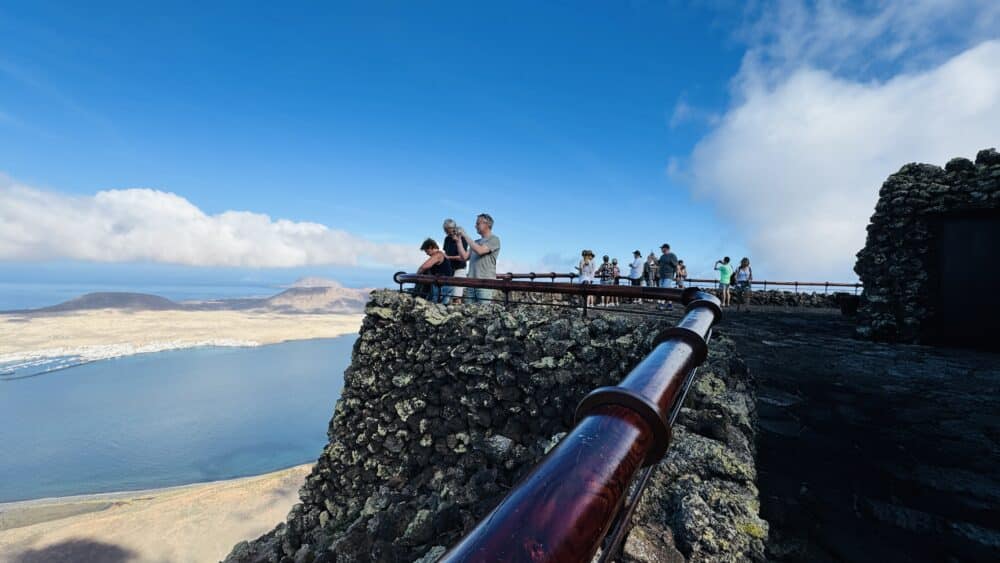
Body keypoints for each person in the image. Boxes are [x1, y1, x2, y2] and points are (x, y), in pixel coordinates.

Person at [457, 213, 500, 304]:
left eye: (477, 223)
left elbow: (480, 251)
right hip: (471, 282)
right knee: (468, 311)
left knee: (484, 311)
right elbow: (464, 257)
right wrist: (458, 240)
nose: (475, 226)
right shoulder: (476, 242)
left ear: (487, 224)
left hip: (485, 283)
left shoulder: (494, 239)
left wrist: (465, 235)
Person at [441, 218, 470, 305]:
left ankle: (457, 311)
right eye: (445, 230)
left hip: (459, 269)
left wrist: (448, 257)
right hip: (448, 269)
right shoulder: (447, 239)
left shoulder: (462, 238)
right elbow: (445, 252)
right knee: (446, 295)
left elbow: (463, 257)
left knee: (457, 296)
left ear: (452, 228)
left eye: (447, 230)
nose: (446, 232)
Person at [416, 238, 453, 302]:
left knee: (437, 304)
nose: (427, 254)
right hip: (444, 285)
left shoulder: (438, 255)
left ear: (430, 247)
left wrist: (416, 277)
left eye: (426, 251)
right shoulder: (442, 254)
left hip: (442, 286)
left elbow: (423, 267)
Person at [657, 244, 679, 311]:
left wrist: (677, 276)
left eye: (662, 248)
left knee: (664, 289)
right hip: (662, 276)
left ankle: (662, 304)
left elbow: (676, 266)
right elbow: (659, 264)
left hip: (669, 275)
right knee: (666, 290)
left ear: (666, 248)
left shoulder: (672, 255)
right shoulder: (662, 256)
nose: (661, 249)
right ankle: (670, 304)